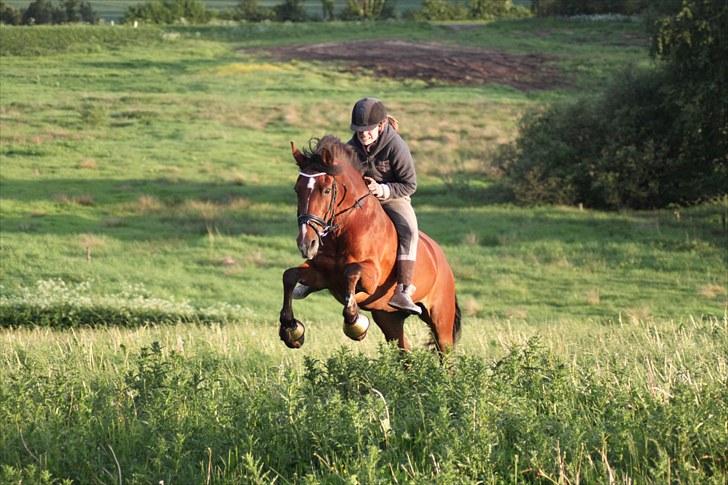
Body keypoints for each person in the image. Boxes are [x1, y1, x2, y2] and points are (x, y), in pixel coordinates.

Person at [347, 97, 421, 315]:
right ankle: (316, 268)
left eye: (368, 130)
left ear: (380, 126)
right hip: (361, 200)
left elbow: (410, 184)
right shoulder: (350, 147)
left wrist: (382, 190)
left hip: (393, 197)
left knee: (409, 229)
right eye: (359, 131)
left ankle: (404, 289)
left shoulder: (396, 146)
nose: (363, 135)